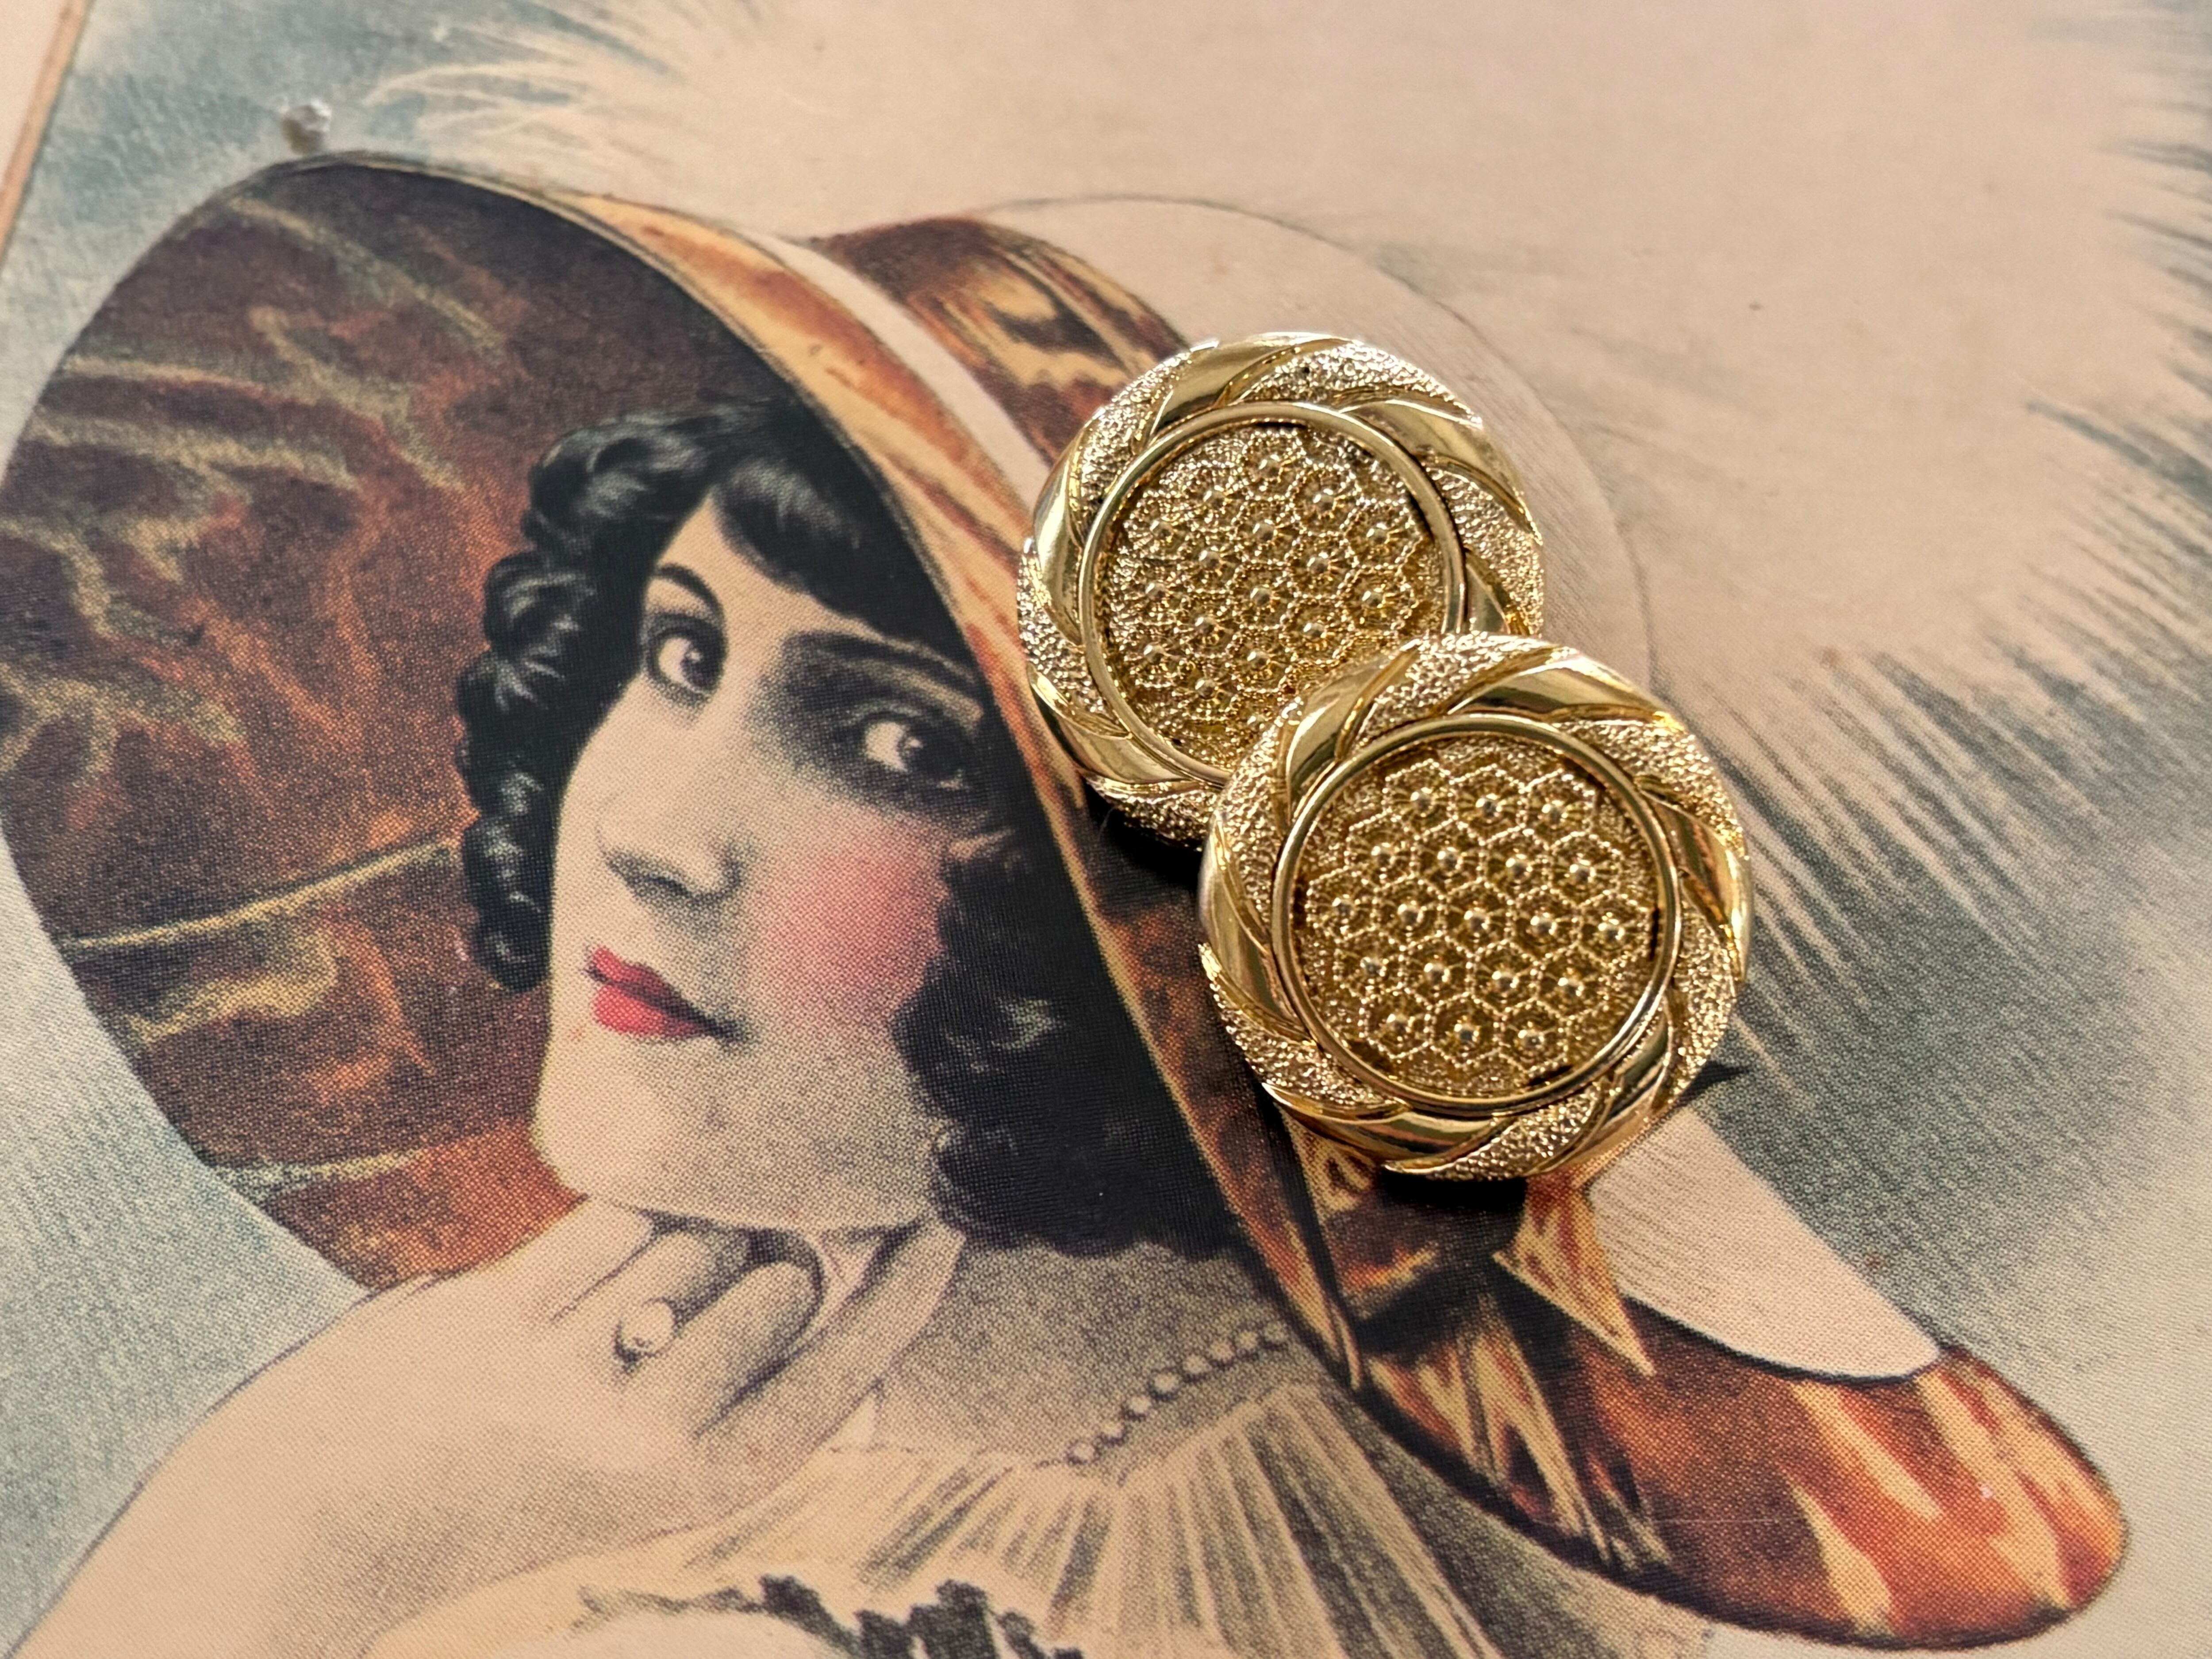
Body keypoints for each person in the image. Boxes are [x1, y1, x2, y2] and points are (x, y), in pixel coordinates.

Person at [8, 161, 2122, 1659]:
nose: (646, 829)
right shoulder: (601, 1452)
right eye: (676, 652)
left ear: (1157, 914)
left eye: (892, 741)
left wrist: (294, 1527)